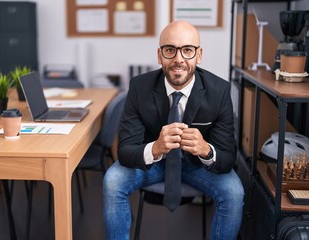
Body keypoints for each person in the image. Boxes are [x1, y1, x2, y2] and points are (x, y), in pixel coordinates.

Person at [102, 20, 244, 240]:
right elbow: (125, 150)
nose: (179, 59)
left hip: (197, 166)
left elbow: (227, 157)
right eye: (170, 50)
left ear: (199, 55)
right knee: (112, 181)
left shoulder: (220, 91)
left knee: (234, 193)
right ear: (160, 56)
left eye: (187, 50)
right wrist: (155, 148)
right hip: (153, 164)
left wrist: (206, 150)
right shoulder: (139, 87)